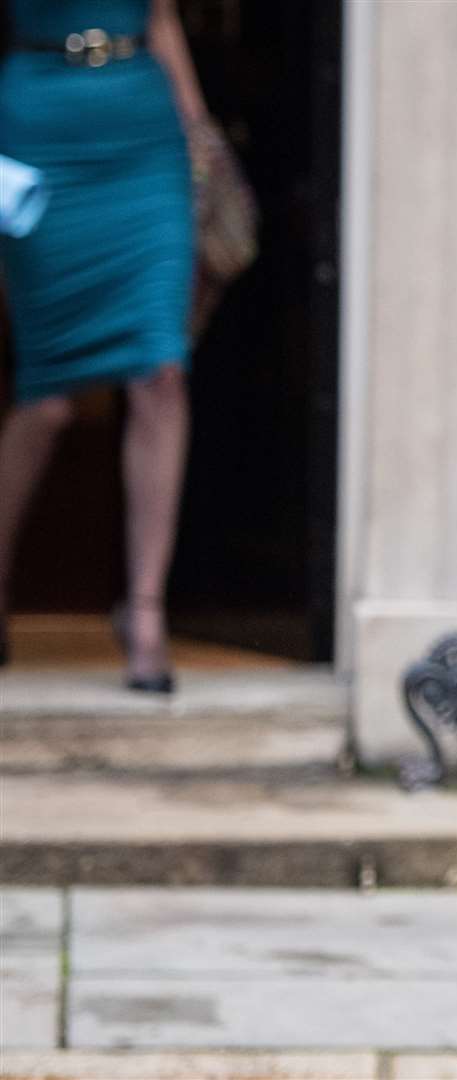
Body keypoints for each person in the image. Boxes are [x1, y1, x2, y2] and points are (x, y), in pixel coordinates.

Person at [0, 0, 207, 690]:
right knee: (47, 395)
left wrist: (196, 128)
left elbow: (161, 15)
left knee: (161, 373)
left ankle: (145, 611)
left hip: (143, 135)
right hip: (36, 129)